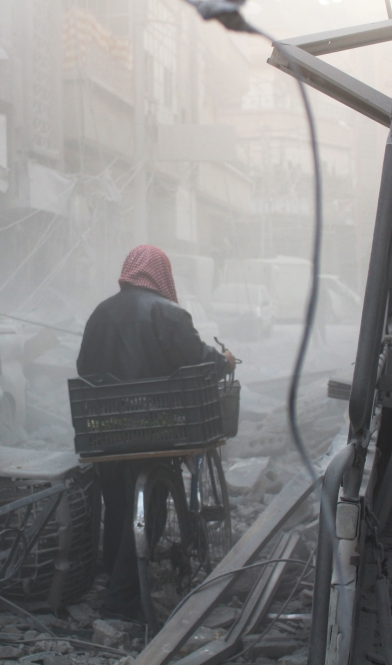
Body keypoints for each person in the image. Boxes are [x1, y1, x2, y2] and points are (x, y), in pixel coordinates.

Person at [76, 245, 235, 621]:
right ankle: (122, 600)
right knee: (151, 511)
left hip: (105, 429)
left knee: (116, 507)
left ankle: (113, 574)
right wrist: (223, 361)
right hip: (157, 427)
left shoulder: (99, 313)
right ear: (161, 275)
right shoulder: (169, 313)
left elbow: (83, 366)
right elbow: (196, 359)